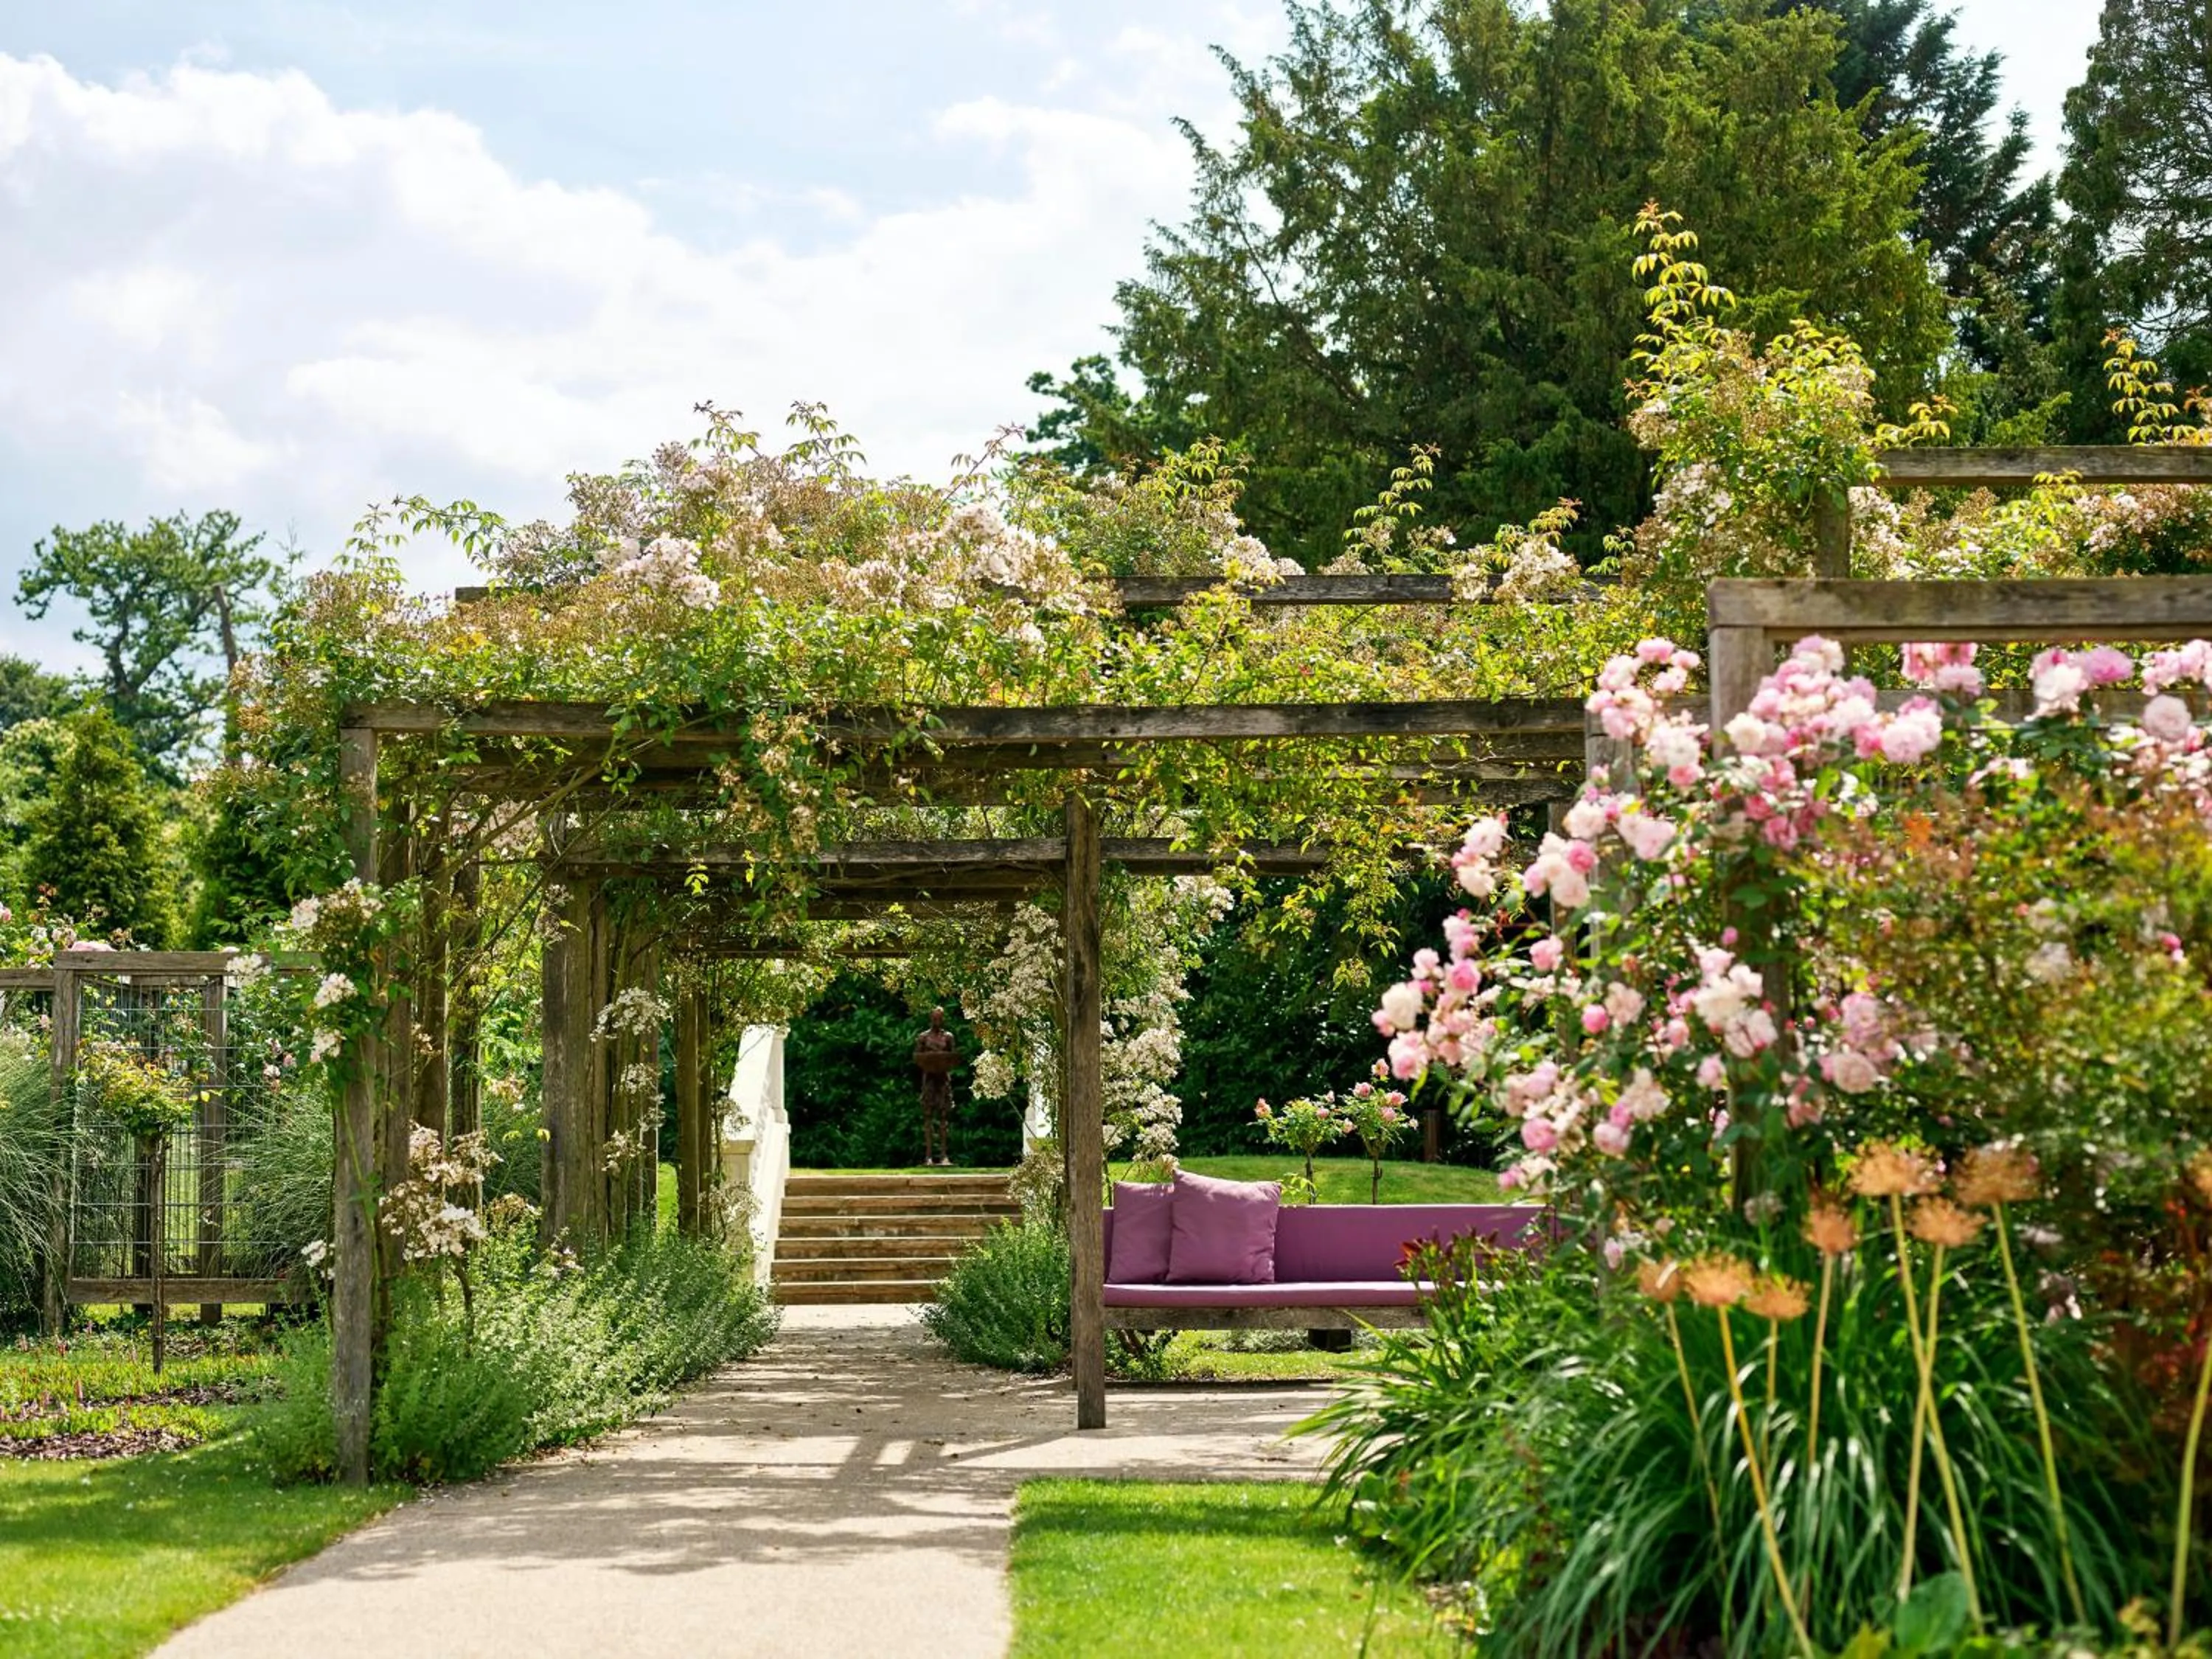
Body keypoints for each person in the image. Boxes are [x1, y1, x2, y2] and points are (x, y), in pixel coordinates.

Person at [914, 1006, 959, 1166]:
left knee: (944, 1118)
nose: (937, 1021)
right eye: (934, 1018)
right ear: (930, 1019)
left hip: (943, 1080)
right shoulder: (923, 1037)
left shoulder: (948, 1037)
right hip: (929, 1081)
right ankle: (928, 1157)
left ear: (943, 1019)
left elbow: (953, 1058)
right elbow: (917, 1057)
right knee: (928, 1118)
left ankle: (944, 1156)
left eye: (939, 1018)